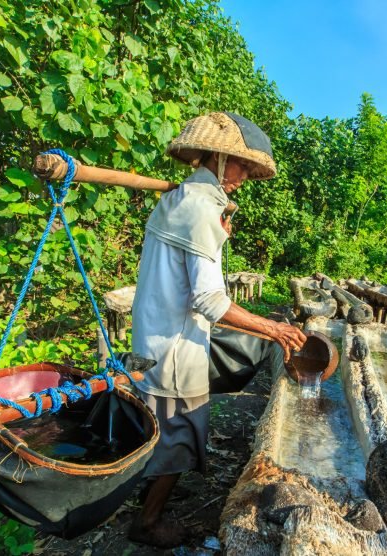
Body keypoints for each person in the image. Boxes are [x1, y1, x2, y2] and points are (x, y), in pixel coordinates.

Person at [128, 112, 307, 547]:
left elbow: (183, 263)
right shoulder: (201, 207)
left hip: (151, 331)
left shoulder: (178, 200)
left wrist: (219, 234)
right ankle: (148, 522)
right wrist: (275, 330)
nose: (244, 178)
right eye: (243, 167)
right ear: (221, 159)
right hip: (174, 344)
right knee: (180, 434)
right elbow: (208, 300)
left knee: (154, 424)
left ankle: (150, 490)